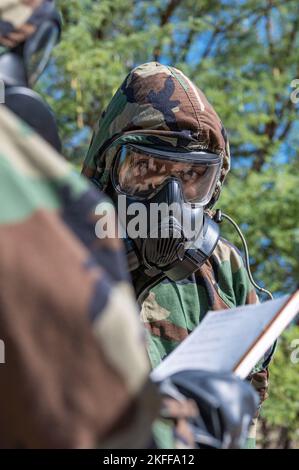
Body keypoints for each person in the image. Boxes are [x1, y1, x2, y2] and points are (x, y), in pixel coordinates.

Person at [82, 61, 275, 448]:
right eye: (147, 169)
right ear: (106, 173)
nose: (167, 200)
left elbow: (247, 416)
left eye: (190, 177)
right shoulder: (48, 257)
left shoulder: (224, 268)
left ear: (213, 187)